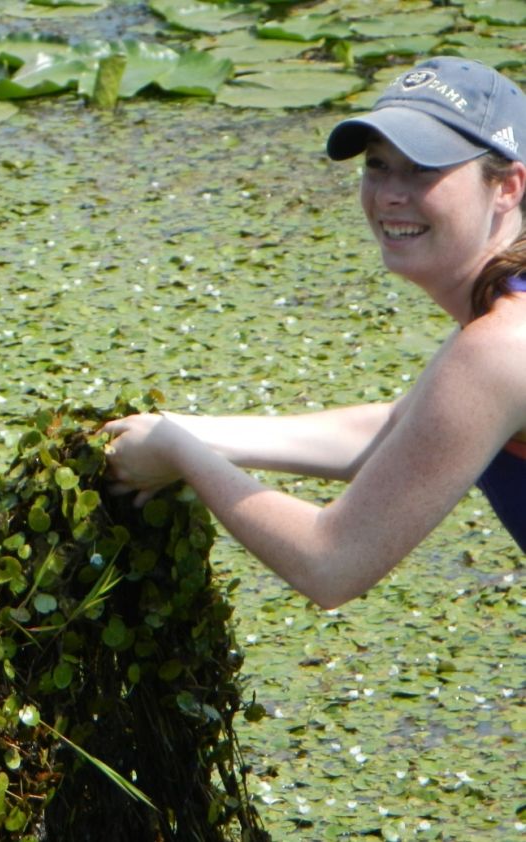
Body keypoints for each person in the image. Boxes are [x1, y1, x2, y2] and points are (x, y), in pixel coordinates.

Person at [102, 57, 526, 610]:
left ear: (508, 186)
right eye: (378, 165)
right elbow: (405, 430)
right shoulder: (502, 320)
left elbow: (331, 563)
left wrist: (180, 453)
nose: (390, 194)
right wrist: (190, 430)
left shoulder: (500, 347)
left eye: (422, 169)